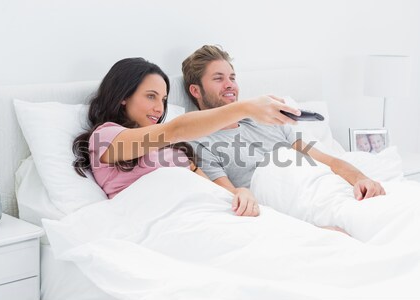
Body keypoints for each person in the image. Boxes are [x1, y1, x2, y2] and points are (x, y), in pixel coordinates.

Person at [72, 57, 301, 217]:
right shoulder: (105, 137)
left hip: (207, 212)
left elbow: (216, 191)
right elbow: (175, 128)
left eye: (162, 100)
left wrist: (240, 193)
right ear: (123, 97)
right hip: (165, 221)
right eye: (151, 96)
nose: (159, 108)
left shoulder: (175, 148)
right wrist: (245, 108)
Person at [181, 45, 386, 206]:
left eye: (232, 78)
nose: (230, 85)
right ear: (196, 91)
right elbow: (233, 197)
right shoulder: (201, 144)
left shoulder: (271, 123)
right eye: (218, 78)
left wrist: (361, 179)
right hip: (289, 206)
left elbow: (328, 162)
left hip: (326, 189)